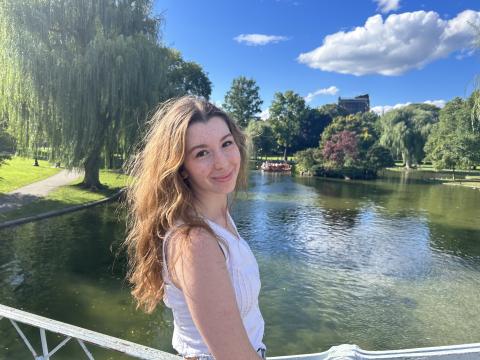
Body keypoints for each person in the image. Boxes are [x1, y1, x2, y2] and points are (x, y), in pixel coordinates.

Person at [124, 96, 266, 360]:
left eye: (226, 143)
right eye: (202, 153)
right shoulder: (195, 241)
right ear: (181, 167)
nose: (222, 162)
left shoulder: (219, 217)